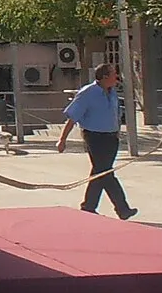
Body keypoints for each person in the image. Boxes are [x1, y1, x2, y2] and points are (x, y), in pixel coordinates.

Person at [55, 64, 137, 220]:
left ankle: (89, 206)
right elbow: (73, 116)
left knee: (100, 172)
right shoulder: (88, 93)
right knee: (106, 172)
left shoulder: (112, 93)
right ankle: (122, 208)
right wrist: (62, 139)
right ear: (105, 77)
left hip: (111, 137)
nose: (116, 77)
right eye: (114, 74)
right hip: (94, 136)